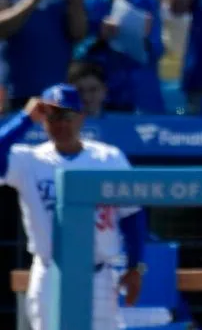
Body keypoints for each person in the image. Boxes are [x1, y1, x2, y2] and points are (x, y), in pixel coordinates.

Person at [0, 83, 147, 330]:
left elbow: (132, 215)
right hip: (49, 272)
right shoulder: (29, 160)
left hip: (98, 274)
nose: (61, 124)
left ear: (81, 116)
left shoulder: (108, 158)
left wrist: (135, 266)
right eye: (54, 115)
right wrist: (25, 119)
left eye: (68, 115)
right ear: (43, 117)